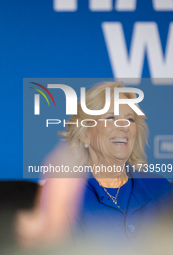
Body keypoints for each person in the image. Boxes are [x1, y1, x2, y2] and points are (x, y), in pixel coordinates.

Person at [16, 82, 173, 253]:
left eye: (130, 119)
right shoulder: (67, 192)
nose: (124, 126)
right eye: (111, 118)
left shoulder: (160, 187)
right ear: (84, 133)